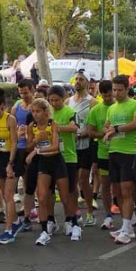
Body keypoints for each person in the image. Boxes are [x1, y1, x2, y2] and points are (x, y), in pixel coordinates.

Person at [104, 75, 136, 244]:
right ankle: (126, 226)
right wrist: (110, 129)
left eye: (120, 90)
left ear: (127, 89)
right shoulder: (111, 108)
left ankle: (128, 229)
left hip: (130, 152)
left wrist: (116, 128)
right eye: (114, 90)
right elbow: (107, 126)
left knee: (127, 190)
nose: (116, 93)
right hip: (113, 151)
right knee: (117, 191)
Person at [26, 98, 72, 246]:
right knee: (42, 197)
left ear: (46, 112)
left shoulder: (53, 125)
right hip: (43, 163)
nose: (35, 114)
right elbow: (28, 146)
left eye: (38, 111)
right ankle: (45, 231)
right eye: (33, 111)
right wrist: (35, 141)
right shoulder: (31, 126)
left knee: (65, 197)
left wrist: (36, 150)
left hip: (56, 161)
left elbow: (55, 146)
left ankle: (71, 221)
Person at [47, 85, 82, 241]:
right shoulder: (47, 112)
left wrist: (56, 128)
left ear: (64, 99)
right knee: (49, 191)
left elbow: (74, 128)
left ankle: (70, 220)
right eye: (51, 100)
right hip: (50, 156)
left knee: (68, 192)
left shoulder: (70, 112)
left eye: (57, 100)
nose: (54, 103)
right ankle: (50, 219)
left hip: (68, 156)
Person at [0, 89, 21, 244]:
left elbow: (14, 142)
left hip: (11, 157)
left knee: (8, 196)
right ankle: (16, 222)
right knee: (3, 192)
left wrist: (10, 163)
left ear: (2, 106)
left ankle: (9, 231)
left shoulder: (10, 119)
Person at [67, 75, 98, 225]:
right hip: (71, 147)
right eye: (76, 79)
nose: (78, 81)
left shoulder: (92, 102)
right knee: (72, 182)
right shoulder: (68, 101)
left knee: (83, 179)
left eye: (81, 79)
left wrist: (84, 133)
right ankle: (75, 213)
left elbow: (96, 126)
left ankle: (90, 213)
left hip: (86, 146)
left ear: (87, 83)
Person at [87, 80, 117, 230]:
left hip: (121, 152)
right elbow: (90, 131)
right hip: (103, 153)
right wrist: (102, 133)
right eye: (104, 94)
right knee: (106, 185)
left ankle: (129, 215)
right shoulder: (95, 110)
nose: (107, 97)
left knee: (123, 186)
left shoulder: (120, 107)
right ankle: (108, 216)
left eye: (109, 93)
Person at [10, 79, 38, 231]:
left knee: (30, 181)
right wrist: (16, 133)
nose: (24, 96)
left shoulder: (37, 107)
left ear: (33, 90)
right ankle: (27, 209)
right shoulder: (17, 106)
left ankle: (31, 210)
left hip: (31, 147)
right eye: (21, 93)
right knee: (19, 179)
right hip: (18, 147)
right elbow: (10, 125)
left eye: (26, 93)